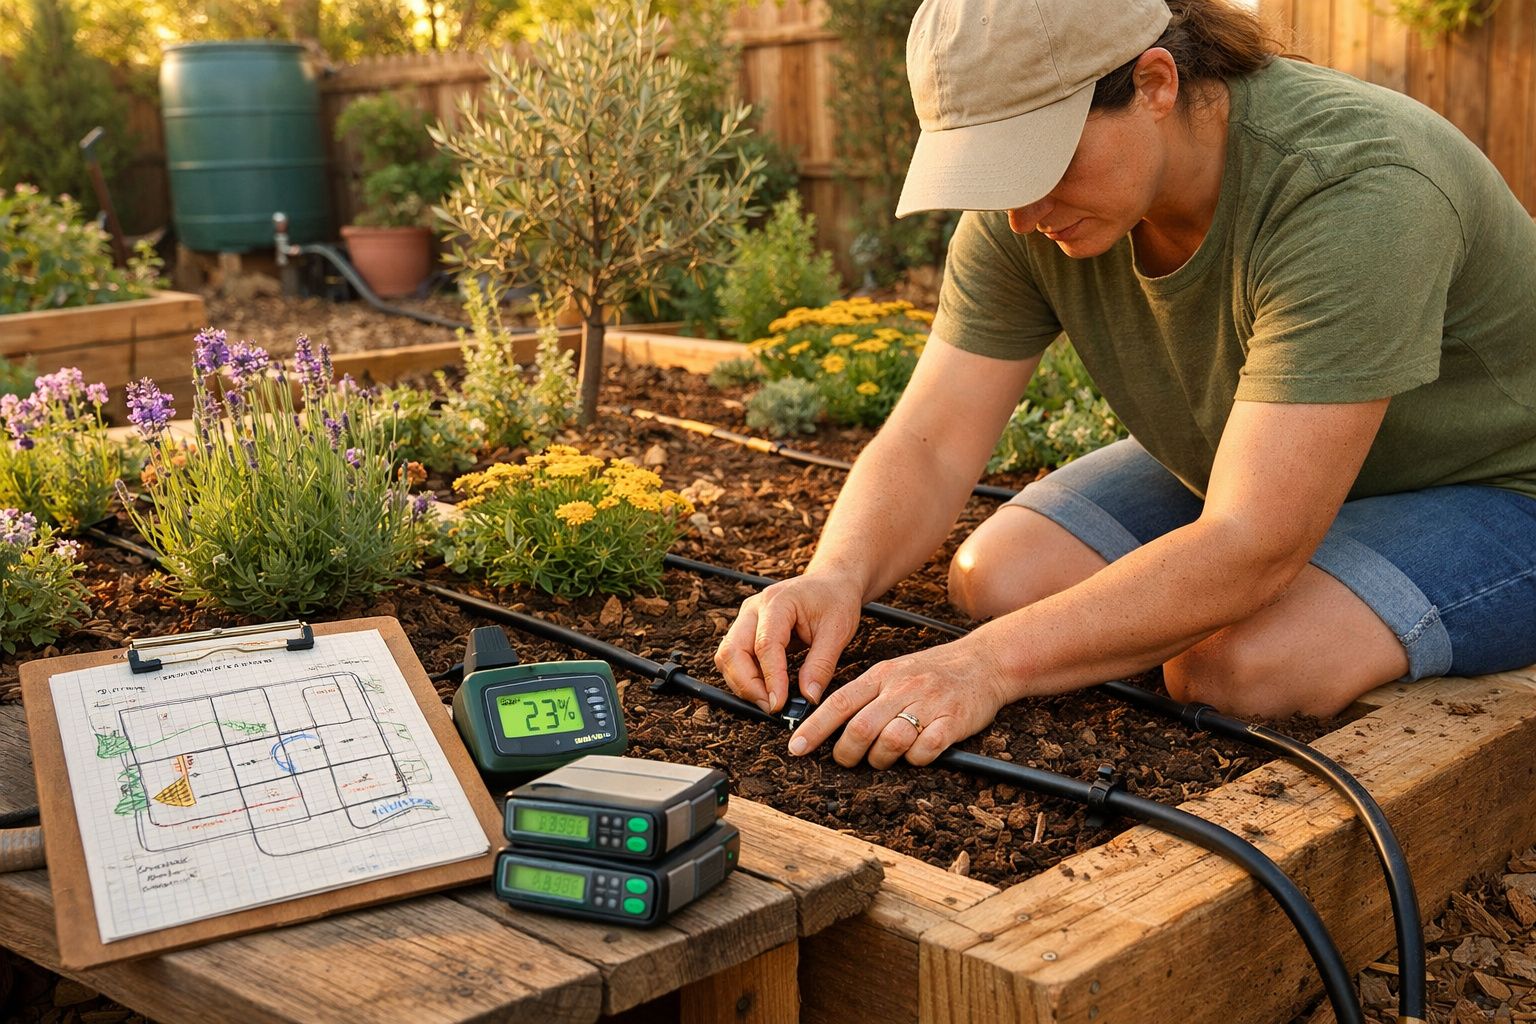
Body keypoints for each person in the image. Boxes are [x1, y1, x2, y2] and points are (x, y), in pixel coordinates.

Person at [713, 0, 1536, 771]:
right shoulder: (1028, 214)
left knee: (1236, 666)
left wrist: (985, 667)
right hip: (1272, 453)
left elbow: (1252, 542)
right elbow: (931, 442)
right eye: (996, 167)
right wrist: (835, 575)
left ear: (1154, 83)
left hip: (1500, 484)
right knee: (999, 577)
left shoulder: (1353, 185)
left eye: (1041, 158)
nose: (1022, 214)